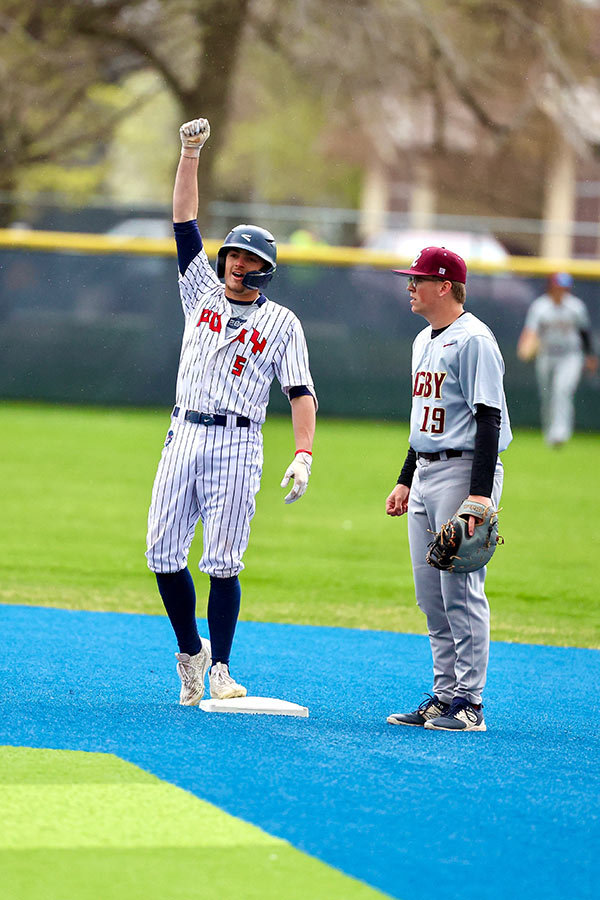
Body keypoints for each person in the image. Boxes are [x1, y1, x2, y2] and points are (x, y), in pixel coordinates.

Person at [146, 118, 317, 706]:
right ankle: (188, 651)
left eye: (249, 258)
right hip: (184, 433)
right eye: (234, 255)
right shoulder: (199, 293)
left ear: (266, 267)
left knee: (222, 561)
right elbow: (184, 222)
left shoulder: (281, 322)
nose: (238, 264)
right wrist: (190, 154)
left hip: (238, 444)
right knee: (163, 554)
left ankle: (220, 667)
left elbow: (301, 393)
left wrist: (303, 454)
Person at [385, 247, 512, 732]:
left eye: (418, 279)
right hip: (427, 472)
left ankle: (471, 703)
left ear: (445, 286)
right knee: (431, 595)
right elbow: (424, 420)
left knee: (461, 589)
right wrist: (405, 477)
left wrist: (479, 495)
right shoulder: (423, 340)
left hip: (465, 472)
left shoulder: (475, 339)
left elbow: (488, 418)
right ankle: (444, 694)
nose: (410, 287)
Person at [517, 272, 598, 447]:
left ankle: (560, 433)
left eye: (565, 287)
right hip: (547, 355)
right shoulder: (540, 307)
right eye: (558, 286)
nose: (561, 290)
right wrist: (525, 345)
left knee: (562, 390)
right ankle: (550, 432)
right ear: (551, 286)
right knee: (547, 394)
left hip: (570, 356)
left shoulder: (575, 307)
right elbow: (531, 331)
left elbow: (584, 333)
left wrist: (590, 355)